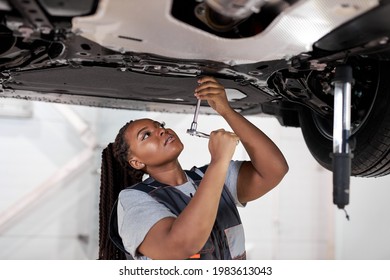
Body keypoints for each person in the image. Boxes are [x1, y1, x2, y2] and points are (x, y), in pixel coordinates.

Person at [98, 76, 289, 260]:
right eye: (146, 135)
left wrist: (226, 111)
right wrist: (219, 161)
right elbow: (181, 245)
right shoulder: (134, 200)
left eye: (160, 125)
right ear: (137, 162)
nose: (161, 130)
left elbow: (274, 169)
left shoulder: (211, 177)